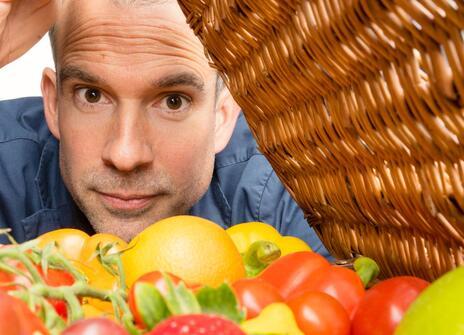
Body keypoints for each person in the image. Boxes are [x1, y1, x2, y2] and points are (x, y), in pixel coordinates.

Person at [0, 0, 330, 258]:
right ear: (54, 104)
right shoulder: (6, 164)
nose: (125, 155)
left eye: (173, 101)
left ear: (222, 115)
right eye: (92, 95)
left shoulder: (288, 188)